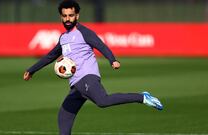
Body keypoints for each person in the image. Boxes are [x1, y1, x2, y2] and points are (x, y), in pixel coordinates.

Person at [23, 0, 163, 135]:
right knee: (64, 115)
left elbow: (100, 45)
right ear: (61, 17)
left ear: (77, 16)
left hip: (87, 77)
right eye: (64, 16)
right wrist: (31, 70)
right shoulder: (63, 38)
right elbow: (50, 56)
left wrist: (112, 60)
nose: (67, 19)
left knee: (102, 101)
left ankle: (142, 97)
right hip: (76, 85)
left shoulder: (84, 32)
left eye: (71, 15)